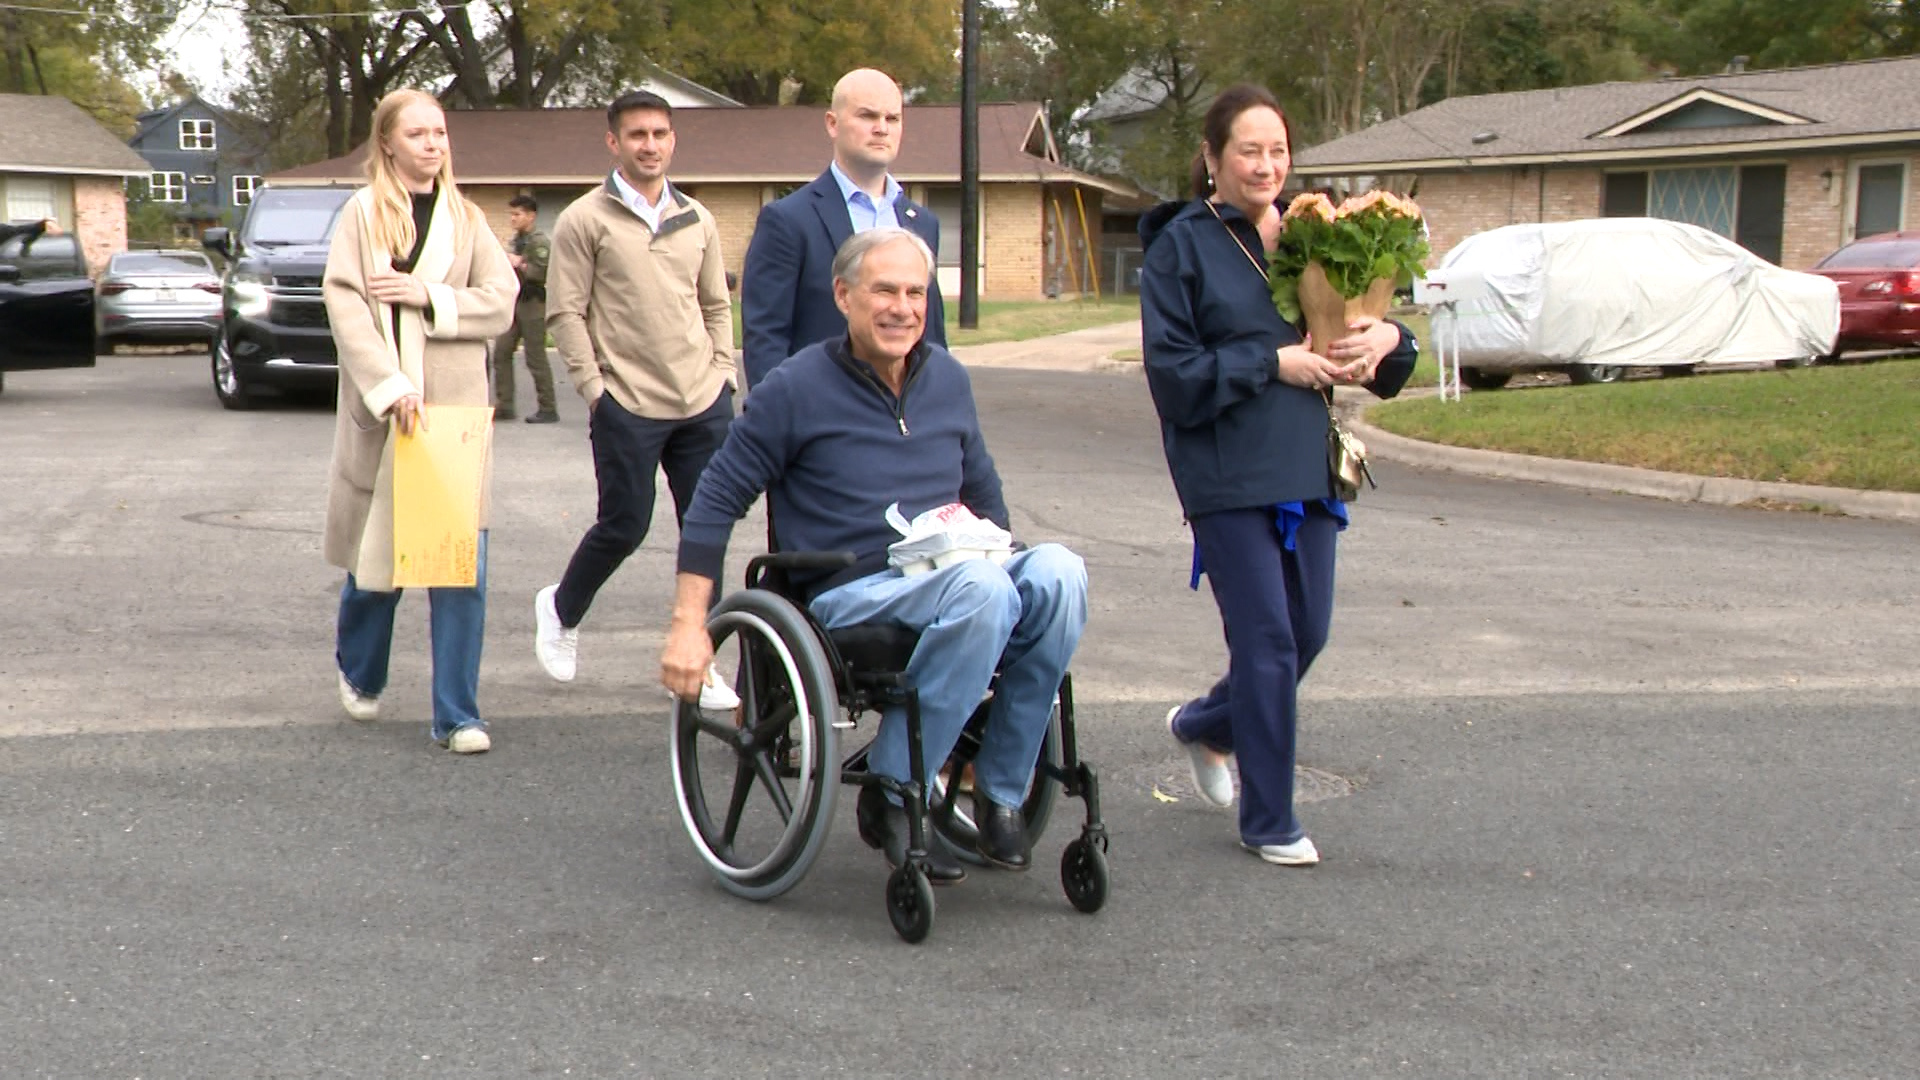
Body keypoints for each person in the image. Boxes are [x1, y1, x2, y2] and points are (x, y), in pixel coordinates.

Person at [660, 228, 1087, 885]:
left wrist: (1004, 551)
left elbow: (987, 500)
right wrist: (691, 624)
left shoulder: (946, 377)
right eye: (884, 290)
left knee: (1060, 572)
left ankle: (1000, 789)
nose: (902, 307)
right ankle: (891, 789)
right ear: (843, 295)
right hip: (851, 589)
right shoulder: (795, 387)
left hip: (957, 572)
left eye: (916, 292)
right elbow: (715, 498)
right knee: (985, 591)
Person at [1138, 84, 1417, 865]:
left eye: (1278, 151)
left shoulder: (1320, 236)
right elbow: (1174, 375)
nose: (1266, 165)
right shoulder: (1181, 246)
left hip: (1309, 464)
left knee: (1307, 635)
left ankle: (1204, 725)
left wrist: (1386, 340)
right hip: (1225, 470)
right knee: (1265, 640)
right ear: (1212, 158)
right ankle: (1270, 819)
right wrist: (1271, 362)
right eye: (1248, 151)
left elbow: (1384, 347)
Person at [322, 89, 519, 754]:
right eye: (418, 133)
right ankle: (359, 668)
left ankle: (458, 714)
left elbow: (501, 301)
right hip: (388, 413)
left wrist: (428, 296)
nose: (433, 143)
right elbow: (346, 305)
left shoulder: (466, 219)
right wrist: (390, 383)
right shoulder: (361, 216)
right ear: (388, 143)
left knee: (460, 566)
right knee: (377, 573)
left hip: (452, 414)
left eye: (439, 132)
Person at [534, 90, 738, 708]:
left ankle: (699, 660)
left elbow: (715, 304)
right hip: (627, 403)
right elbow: (564, 312)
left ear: (672, 139)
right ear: (614, 142)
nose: (649, 145)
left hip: (703, 402)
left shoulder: (697, 219)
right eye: (637, 135)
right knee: (626, 525)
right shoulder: (584, 220)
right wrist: (595, 392)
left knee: (706, 532)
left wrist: (725, 373)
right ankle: (562, 608)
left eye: (659, 134)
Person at [738, 67, 946, 388]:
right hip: (821, 414)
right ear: (832, 124)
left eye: (892, 119)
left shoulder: (923, 224)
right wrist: (780, 423)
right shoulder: (788, 221)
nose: (881, 129)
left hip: (905, 418)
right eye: (867, 116)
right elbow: (766, 338)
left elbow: (931, 335)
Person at [490, 194, 557, 423]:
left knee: (535, 356)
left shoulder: (539, 242)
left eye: (517, 214)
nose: (513, 218)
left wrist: (520, 263)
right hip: (515, 302)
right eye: (511, 214)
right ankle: (505, 404)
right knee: (501, 352)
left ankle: (548, 407)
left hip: (533, 303)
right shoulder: (517, 240)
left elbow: (543, 272)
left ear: (531, 216)